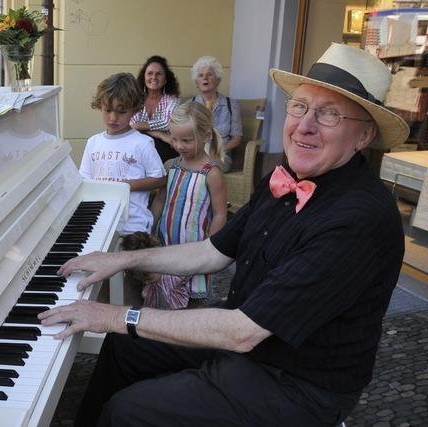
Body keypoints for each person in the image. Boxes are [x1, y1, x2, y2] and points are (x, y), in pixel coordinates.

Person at [39, 43, 410, 427]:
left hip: (299, 385)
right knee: (124, 348)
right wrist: (121, 259)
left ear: (364, 136)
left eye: (329, 114)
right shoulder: (284, 179)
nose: (305, 125)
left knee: (129, 410)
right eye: (299, 106)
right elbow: (212, 251)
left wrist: (115, 314)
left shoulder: (359, 220)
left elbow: (241, 332)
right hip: (249, 347)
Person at [151, 101, 227, 304]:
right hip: (166, 245)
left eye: (186, 140)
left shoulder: (212, 173)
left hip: (195, 251)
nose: (178, 146)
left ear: (206, 136)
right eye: (174, 139)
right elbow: (160, 199)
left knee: (191, 303)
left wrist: (210, 249)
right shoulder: (171, 166)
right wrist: (149, 227)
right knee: (164, 298)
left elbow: (220, 214)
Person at [79, 72, 166, 234]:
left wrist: (127, 186)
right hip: (99, 223)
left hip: (132, 227)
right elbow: (85, 181)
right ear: (100, 106)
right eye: (108, 110)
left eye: (121, 112)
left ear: (134, 110)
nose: (113, 118)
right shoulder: (93, 143)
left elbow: (160, 179)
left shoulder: (142, 143)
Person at [191, 55, 243, 172]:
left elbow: (236, 139)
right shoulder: (190, 105)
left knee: (206, 167)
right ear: (196, 82)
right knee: (171, 165)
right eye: (200, 75)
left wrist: (217, 151)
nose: (205, 78)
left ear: (218, 80)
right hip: (195, 154)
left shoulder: (231, 105)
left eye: (210, 75)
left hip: (220, 156)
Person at [130, 55, 181, 163]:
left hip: (165, 147)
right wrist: (160, 134)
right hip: (139, 145)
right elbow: (132, 125)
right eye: (150, 73)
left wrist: (141, 127)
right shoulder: (136, 99)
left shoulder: (172, 99)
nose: (154, 77)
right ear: (144, 78)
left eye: (158, 74)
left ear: (165, 79)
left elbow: (167, 123)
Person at [121, 232, 189, 309]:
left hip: (177, 307)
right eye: (143, 280)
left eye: (148, 279)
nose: (146, 282)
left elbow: (186, 272)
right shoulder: (153, 278)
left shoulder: (171, 275)